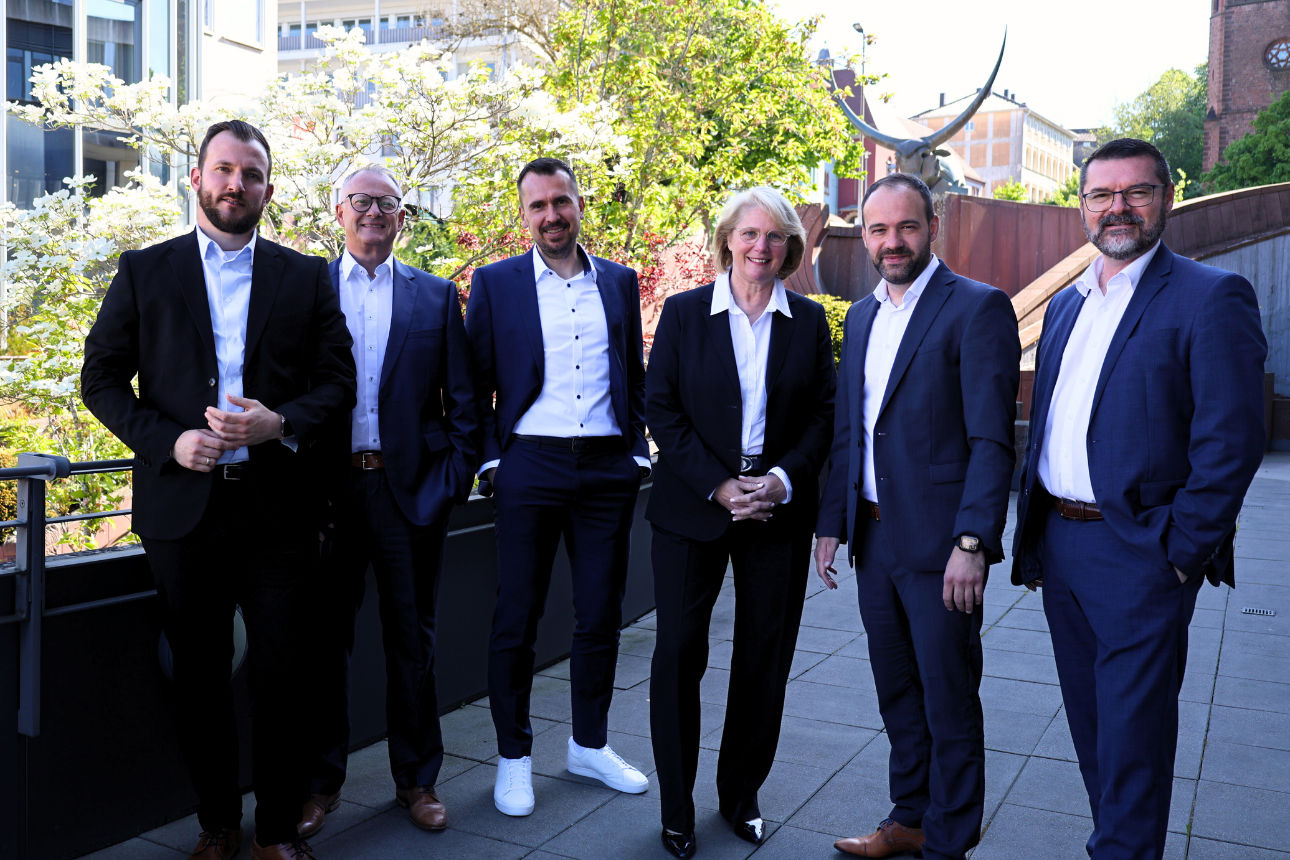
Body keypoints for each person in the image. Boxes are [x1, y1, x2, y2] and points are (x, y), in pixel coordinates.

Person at [81, 120, 356, 860]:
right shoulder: (145, 269)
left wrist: (280, 423)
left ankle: (273, 832)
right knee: (198, 680)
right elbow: (100, 379)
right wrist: (166, 440)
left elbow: (338, 382)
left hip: (279, 512)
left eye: (253, 174)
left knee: (282, 678)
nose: (238, 185)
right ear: (198, 178)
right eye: (225, 170)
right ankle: (216, 826)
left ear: (268, 187)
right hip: (183, 510)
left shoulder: (305, 276)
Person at [1011, 138, 1267, 860]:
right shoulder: (1064, 307)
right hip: (1061, 548)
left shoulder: (1210, 297)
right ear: (1082, 205)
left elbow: (1232, 440)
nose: (1117, 207)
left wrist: (1179, 554)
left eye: (1136, 192)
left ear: (1168, 198)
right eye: (1101, 194)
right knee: (1095, 732)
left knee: (1133, 736)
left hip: (1141, 554)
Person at [814, 173, 1020, 860]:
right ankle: (910, 819)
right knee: (898, 691)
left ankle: (948, 844)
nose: (892, 240)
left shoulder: (977, 309)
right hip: (874, 539)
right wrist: (830, 522)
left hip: (941, 545)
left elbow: (993, 438)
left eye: (906, 226)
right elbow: (852, 427)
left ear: (933, 226)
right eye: (878, 229)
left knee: (949, 699)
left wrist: (973, 540)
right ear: (865, 233)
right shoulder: (863, 315)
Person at [645, 187, 835, 858]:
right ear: (728, 238)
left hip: (776, 513)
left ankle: (739, 795)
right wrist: (721, 486)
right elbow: (660, 408)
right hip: (693, 507)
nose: (762, 247)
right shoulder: (685, 313)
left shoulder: (807, 322)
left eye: (776, 237)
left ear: (791, 247)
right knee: (678, 657)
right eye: (750, 234)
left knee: (764, 659)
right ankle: (676, 808)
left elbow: (822, 415)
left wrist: (780, 481)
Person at [464, 157, 650, 818]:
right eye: (538, 205)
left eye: (561, 202)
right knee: (517, 617)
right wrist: (492, 462)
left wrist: (635, 450)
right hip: (529, 466)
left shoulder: (619, 283)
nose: (551, 215)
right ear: (524, 214)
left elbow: (632, 373)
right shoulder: (495, 284)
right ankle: (514, 759)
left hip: (606, 469)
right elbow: (471, 385)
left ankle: (589, 745)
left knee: (600, 613)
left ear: (579, 204)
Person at [298, 166, 477, 839]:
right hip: (328, 496)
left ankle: (418, 781)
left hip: (410, 495)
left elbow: (463, 402)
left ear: (403, 218)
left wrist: (450, 480)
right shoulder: (307, 289)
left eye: (388, 204)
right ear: (338, 212)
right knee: (324, 646)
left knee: (414, 644)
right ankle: (321, 786)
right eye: (362, 202)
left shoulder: (435, 297)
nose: (375, 213)